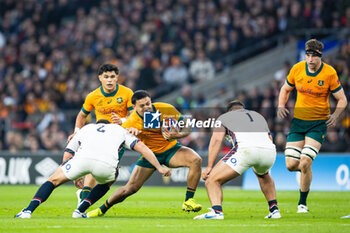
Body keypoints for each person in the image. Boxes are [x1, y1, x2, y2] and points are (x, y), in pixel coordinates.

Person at [15, 120, 171, 219]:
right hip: (106, 165)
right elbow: (142, 148)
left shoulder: (87, 128)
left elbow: (69, 152)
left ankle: (28, 211)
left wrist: (71, 173)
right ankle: (80, 210)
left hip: (81, 160)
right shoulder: (120, 130)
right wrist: (159, 167)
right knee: (110, 180)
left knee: (53, 180)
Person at [87, 90, 203, 217]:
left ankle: (188, 201)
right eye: (142, 106)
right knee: (129, 189)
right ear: (134, 107)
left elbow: (187, 126)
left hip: (172, 150)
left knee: (196, 159)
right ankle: (101, 210)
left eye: (148, 103)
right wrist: (131, 135)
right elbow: (122, 144)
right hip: (149, 156)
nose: (147, 107)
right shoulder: (130, 122)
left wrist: (179, 134)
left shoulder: (165, 108)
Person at [277, 39, 347, 213]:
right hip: (298, 123)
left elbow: (342, 99)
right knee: (291, 165)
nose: (310, 59)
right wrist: (281, 105)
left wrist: (336, 115)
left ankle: (302, 203)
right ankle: (306, 172)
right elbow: (285, 89)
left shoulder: (329, 73)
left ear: (320, 57)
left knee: (306, 161)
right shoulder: (297, 69)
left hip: (318, 124)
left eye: (313, 56)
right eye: (308, 55)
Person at [194, 100, 281, 220]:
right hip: (269, 151)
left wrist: (209, 166)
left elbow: (216, 141)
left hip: (246, 150)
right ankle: (274, 210)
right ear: (243, 109)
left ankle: (216, 211)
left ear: (229, 111)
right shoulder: (258, 116)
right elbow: (269, 137)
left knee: (212, 180)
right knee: (263, 175)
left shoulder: (225, 117)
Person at [67, 63, 134, 204]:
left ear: (117, 78)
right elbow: (81, 116)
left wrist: (122, 120)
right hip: (100, 135)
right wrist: (77, 133)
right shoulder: (93, 96)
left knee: (110, 176)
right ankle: (83, 202)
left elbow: (135, 116)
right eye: (106, 77)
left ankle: (83, 197)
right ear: (100, 78)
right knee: (93, 166)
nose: (109, 80)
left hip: (118, 137)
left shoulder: (127, 93)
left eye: (112, 77)